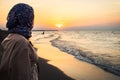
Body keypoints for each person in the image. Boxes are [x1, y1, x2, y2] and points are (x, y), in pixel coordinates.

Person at [0, 3, 38, 80]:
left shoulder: (10, 37)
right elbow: (21, 76)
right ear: (25, 18)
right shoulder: (21, 42)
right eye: (31, 17)